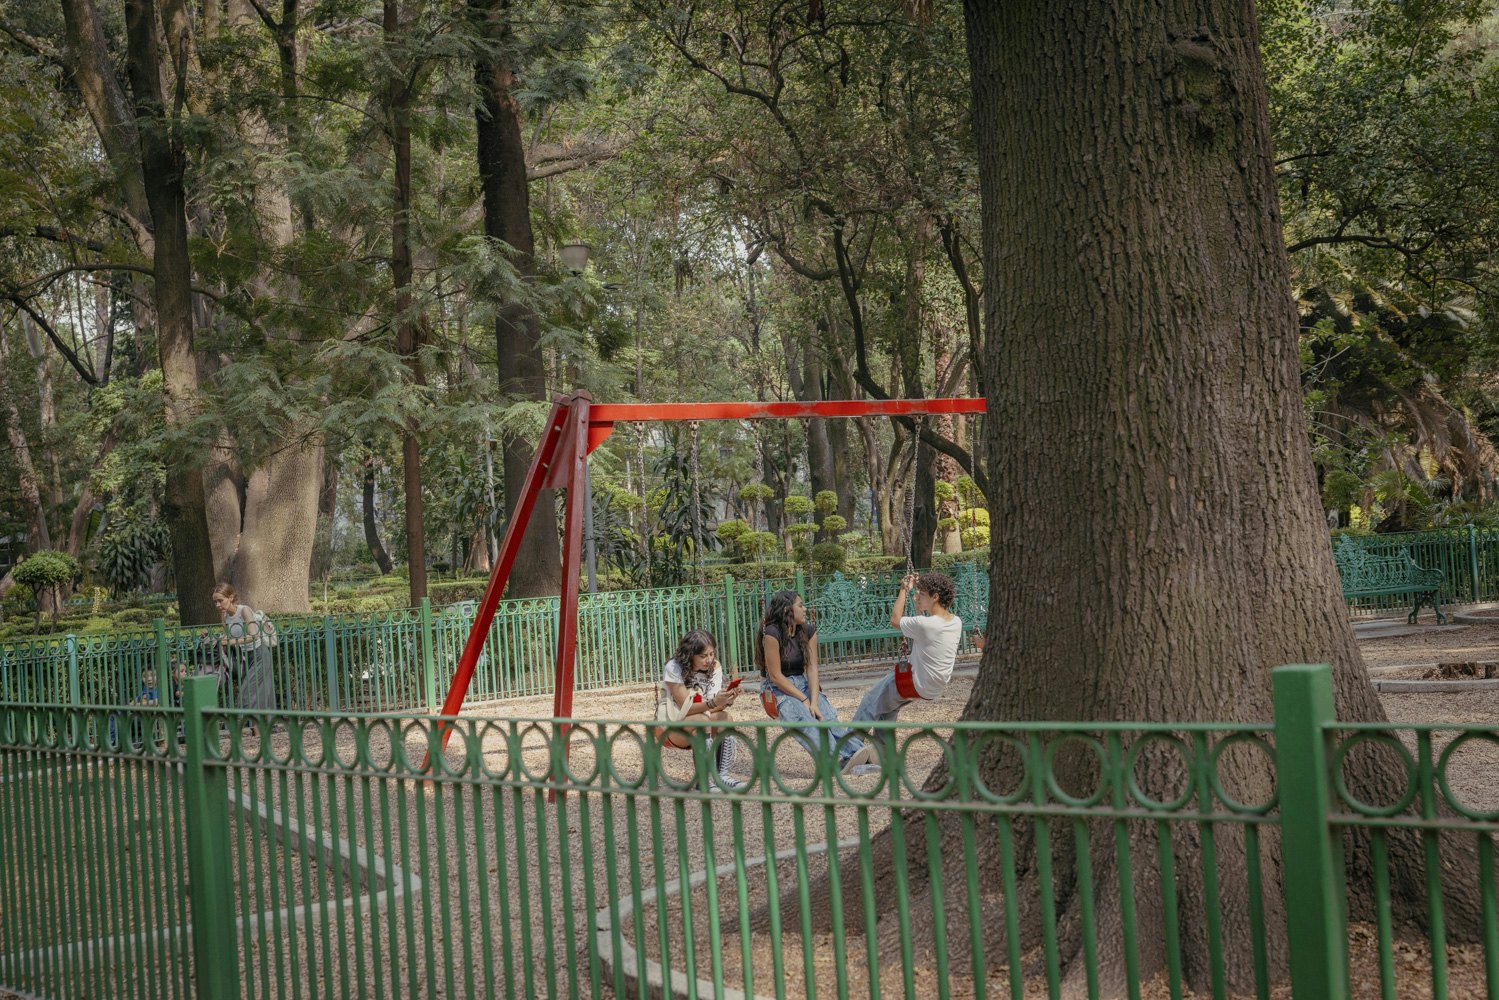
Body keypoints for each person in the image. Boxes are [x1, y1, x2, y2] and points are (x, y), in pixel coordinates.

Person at [758, 590, 878, 775]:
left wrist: (814, 701)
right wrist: (804, 701)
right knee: (805, 721)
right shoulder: (771, 633)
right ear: (787, 610)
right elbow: (775, 675)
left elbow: (812, 668)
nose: (805, 609)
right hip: (778, 688)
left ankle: (857, 755)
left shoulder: (808, 631)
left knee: (827, 715)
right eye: (800, 605)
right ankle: (840, 759)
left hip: (804, 683)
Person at [852, 571, 964, 731]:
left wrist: (904, 590)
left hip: (913, 681)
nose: (918, 596)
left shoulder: (926, 625)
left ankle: (848, 749)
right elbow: (925, 631)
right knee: (887, 710)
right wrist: (920, 608)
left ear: (935, 597)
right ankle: (884, 753)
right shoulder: (955, 622)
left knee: (869, 701)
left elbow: (895, 620)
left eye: (922, 593)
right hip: (933, 688)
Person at [656, 629, 743, 789]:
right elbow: (686, 709)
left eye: (711, 654)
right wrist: (713, 703)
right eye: (703, 656)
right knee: (702, 721)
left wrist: (726, 701)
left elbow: (713, 705)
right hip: (672, 724)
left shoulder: (715, 666)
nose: (709, 660)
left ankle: (722, 776)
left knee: (726, 718)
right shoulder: (674, 667)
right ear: (690, 655)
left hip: (702, 719)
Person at [211, 583, 276, 723]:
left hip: (260, 655)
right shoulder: (225, 617)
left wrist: (233, 642)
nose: (217, 604)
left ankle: (258, 730)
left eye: (220, 600)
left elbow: (254, 635)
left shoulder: (244, 611)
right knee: (259, 694)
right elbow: (227, 637)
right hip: (247, 658)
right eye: (215, 601)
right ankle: (261, 731)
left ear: (231, 597)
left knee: (248, 695)